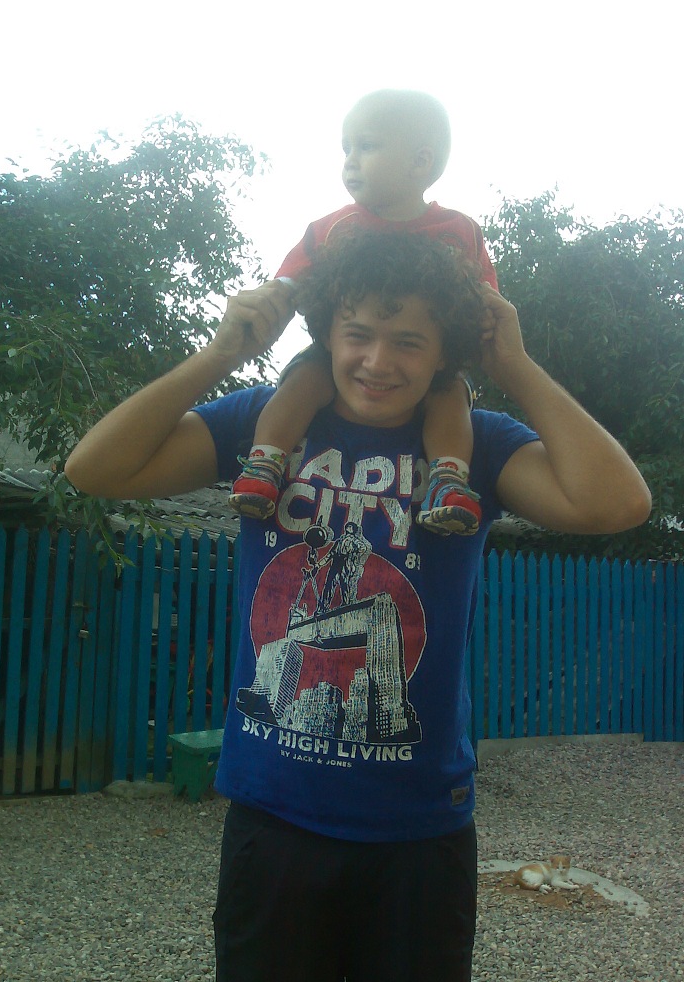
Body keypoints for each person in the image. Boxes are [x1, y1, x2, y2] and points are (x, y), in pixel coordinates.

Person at [64, 232, 650, 982]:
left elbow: (616, 504)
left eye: (408, 342)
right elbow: (96, 469)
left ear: (443, 354)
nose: (378, 361)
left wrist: (516, 367)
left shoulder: (475, 446)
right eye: (359, 334)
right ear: (327, 335)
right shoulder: (267, 423)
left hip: (418, 827)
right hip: (274, 816)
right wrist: (219, 355)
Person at [229, 88, 497, 538]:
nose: (350, 161)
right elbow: (292, 277)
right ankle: (265, 461)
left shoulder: (459, 231)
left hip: (430, 360)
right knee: (303, 380)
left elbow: (484, 298)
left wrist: (492, 330)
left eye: (366, 146)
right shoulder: (335, 226)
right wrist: (272, 299)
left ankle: (448, 479)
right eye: (346, 149)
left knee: (451, 395)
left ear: (420, 162)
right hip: (336, 353)